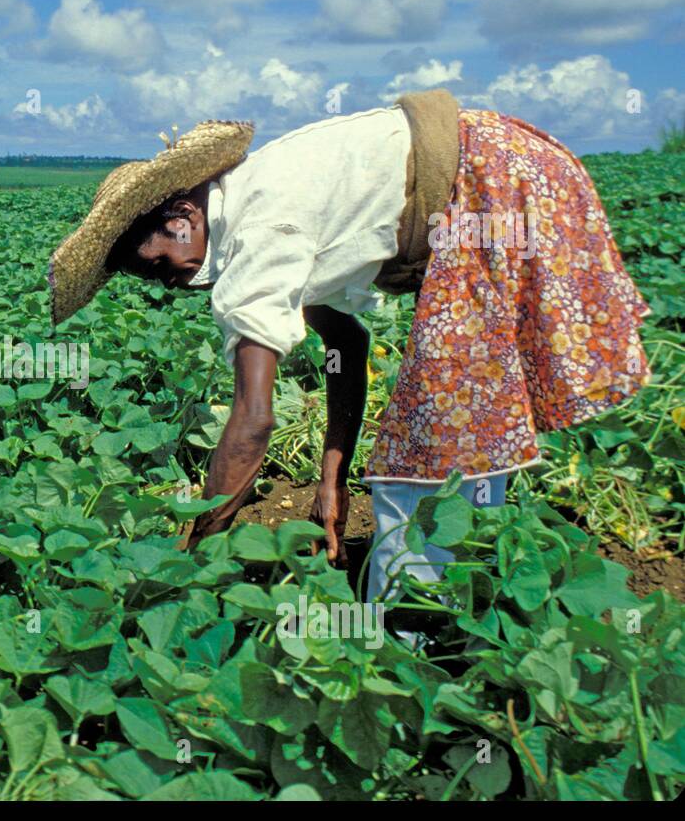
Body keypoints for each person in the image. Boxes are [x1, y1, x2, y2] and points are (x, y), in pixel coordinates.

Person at [46, 90, 651, 605]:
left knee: (432, 437)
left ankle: (411, 625)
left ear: (183, 211)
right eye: (151, 278)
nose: (169, 282)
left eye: (160, 262)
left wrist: (197, 553)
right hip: (512, 166)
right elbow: (346, 342)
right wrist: (331, 479)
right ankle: (460, 563)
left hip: (492, 189)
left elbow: (253, 422)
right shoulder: (263, 208)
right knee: (455, 422)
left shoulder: (260, 234)